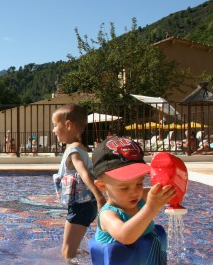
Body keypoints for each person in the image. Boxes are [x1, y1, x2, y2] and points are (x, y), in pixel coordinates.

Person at [91, 136, 177, 264]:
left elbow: (168, 191)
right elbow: (126, 237)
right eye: (124, 188)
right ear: (102, 186)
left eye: (139, 183)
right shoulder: (108, 214)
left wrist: (171, 180)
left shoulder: (141, 197)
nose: (135, 192)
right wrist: (151, 208)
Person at [51, 103, 106, 259]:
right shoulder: (79, 147)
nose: (54, 129)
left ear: (68, 125)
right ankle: (85, 257)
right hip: (84, 205)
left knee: (67, 252)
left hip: (81, 206)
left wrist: (100, 197)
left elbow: (84, 174)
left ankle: (92, 259)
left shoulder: (74, 151)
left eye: (56, 125)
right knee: (70, 249)